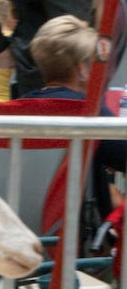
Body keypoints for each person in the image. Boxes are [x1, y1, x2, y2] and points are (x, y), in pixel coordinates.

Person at [27, 14, 125, 218]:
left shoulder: (19, 109)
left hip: (24, 227)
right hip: (74, 234)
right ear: (82, 69)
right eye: (96, 62)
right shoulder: (86, 113)